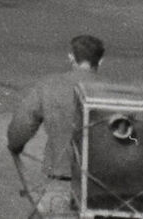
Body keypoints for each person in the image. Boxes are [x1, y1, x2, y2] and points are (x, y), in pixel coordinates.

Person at [6, 33, 106, 216]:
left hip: (61, 181)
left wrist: (15, 145)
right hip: (104, 186)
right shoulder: (112, 89)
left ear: (71, 57)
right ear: (100, 61)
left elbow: (22, 125)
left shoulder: (50, 85)